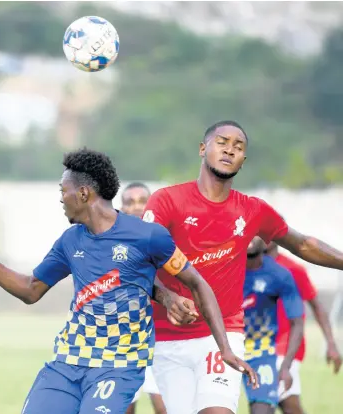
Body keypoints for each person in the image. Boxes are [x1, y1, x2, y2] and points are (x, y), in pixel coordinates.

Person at [0, 148, 257, 414]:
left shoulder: (147, 236)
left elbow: (197, 282)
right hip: (68, 363)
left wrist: (225, 348)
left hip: (119, 366)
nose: (61, 199)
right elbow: (30, 291)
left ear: (83, 193)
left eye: (63, 191)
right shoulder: (70, 241)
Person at [143, 120, 343, 414]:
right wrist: (166, 297)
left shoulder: (253, 210)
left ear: (243, 161)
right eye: (222, 142)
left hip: (223, 335)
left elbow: (302, 244)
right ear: (203, 149)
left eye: (238, 147)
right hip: (169, 339)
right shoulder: (167, 201)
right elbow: (136, 259)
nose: (229, 150)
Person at [265, 241, 342, 414]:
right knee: (266, 403)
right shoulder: (248, 267)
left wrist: (330, 343)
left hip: (286, 345)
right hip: (256, 346)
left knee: (283, 403)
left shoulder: (293, 269)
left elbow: (317, 306)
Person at [243, 236, 304, 414]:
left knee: (264, 410)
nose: (252, 237)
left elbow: (297, 322)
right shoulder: (224, 266)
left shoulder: (279, 274)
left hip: (259, 354)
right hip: (222, 349)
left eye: (258, 232)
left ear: (267, 239)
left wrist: (285, 366)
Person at [120, 182, 167, 414]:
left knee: (166, 408)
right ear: (121, 208)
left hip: (163, 342)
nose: (137, 207)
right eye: (130, 202)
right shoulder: (112, 244)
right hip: (124, 343)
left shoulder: (165, 242)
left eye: (143, 201)